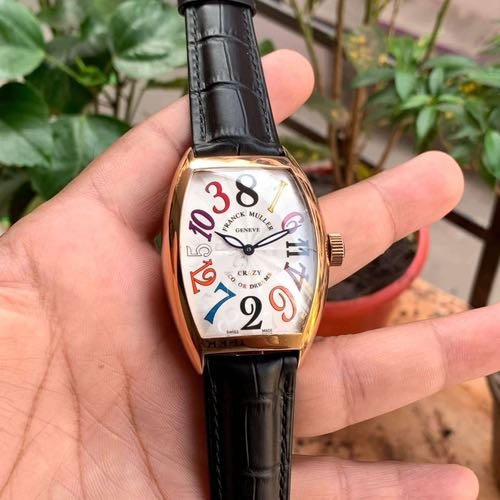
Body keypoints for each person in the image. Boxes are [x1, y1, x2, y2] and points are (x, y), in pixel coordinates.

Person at [0, 50, 496, 499]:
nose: (250, 248)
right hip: (227, 341)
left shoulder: (260, 192)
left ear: (325, 251)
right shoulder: (214, 182)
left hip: (262, 338)